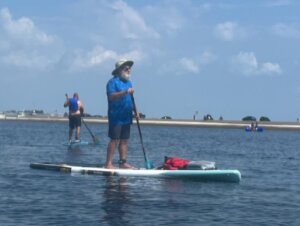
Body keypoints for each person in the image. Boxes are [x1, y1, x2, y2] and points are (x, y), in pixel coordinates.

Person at [105, 59, 137, 169]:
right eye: (126, 68)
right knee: (115, 139)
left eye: (129, 68)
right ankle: (108, 163)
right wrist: (124, 92)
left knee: (124, 140)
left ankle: (122, 162)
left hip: (126, 116)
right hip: (116, 116)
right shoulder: (112, 82)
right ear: (119, 70)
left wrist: (136, 111)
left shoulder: (129, 82)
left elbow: (131, 99)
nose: (129, 70)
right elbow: (111, 96)